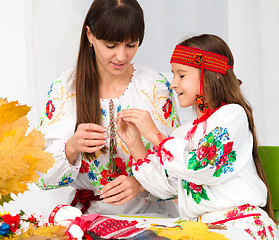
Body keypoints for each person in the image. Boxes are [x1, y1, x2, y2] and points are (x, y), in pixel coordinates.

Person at [115, 34, 279, 239]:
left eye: (181, 75)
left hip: (239, 226)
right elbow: (166, 187)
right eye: (174, 75)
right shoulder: (183, 134)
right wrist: (135, 144)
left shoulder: (232, 115)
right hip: (204, 229)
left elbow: (199, 166)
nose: (173, 83)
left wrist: (155, 135)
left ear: (212, 74)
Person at [35, 0, 180, 217]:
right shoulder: (64, 88)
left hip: (153, 220)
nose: (121, 56)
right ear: (90, 35)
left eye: (131, 45)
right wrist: (72, 147)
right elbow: (40, 175)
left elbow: (179, 167)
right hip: (86, 220)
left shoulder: (157, 86)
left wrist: (141, 184)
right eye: (111, 45)